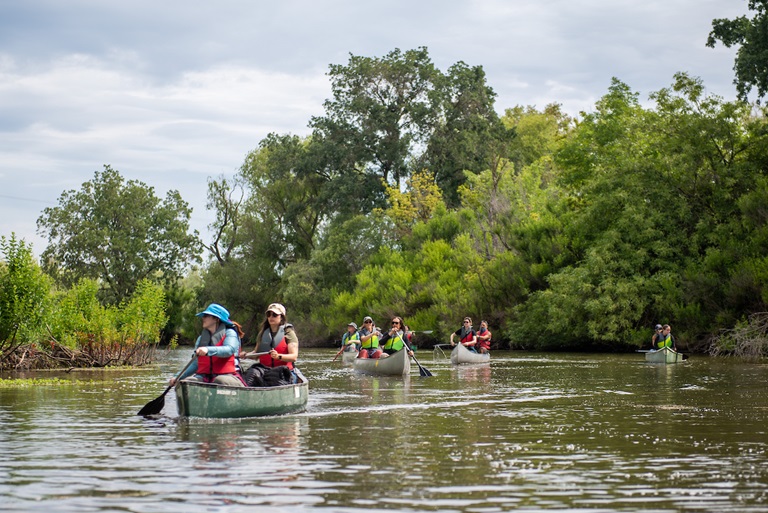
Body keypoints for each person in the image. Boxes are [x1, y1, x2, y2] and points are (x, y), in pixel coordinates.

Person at [169, 303, 245, 387]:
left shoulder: (230, 333)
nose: (203, 318)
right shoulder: (200, 339)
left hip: (228, 376)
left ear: (216, 319)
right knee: (187, 382)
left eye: (206, 315)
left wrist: (208, 350)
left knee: (219, 380)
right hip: (205, 378)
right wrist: (178, 377)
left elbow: (229, 350)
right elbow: (195, 364)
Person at [245, 302, 300, 383]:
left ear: (281, 317)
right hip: (265, 370)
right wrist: (246, 355)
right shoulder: (263, 333)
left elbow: (294, 357)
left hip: (283, 371)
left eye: (274, 315)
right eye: (269, 315)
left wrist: (278, 356)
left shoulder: (288, 332)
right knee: (251, 375)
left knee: (275, 380)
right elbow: (256, 354)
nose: (271, 317)